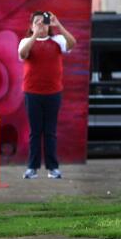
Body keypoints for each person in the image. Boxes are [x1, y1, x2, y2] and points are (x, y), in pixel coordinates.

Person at [18, 10, 76, 179]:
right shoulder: (25, 41)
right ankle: (32, 167)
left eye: (43, 22)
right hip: (32, 93)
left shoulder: (57, 41)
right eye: (36, 22)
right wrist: (35, 35)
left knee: (50, 132)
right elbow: (23, 54)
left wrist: (58, 25)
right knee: (35, 131)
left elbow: (72, 43)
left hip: (53, 93)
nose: (40, 25)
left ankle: (53, 168)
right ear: (31, 25)